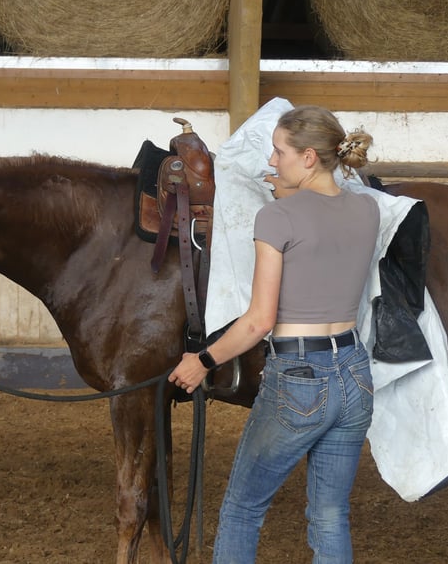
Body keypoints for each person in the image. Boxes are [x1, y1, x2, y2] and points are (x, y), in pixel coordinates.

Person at [168, 105, 380, 563]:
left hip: (299, 379)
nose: (271, 160)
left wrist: (201, 361)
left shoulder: (277, 219)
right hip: (355, 373)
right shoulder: (366, 209)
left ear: (307, 157)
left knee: (242, 509)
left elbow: (258, 321)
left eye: (280, 151)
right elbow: (325, 222)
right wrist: (291, 195)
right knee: (329, 514)